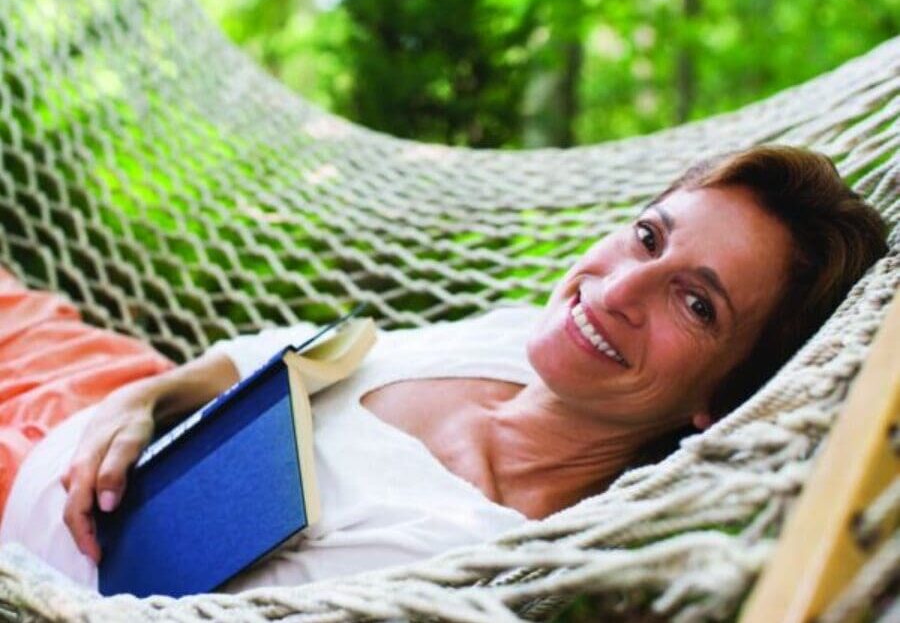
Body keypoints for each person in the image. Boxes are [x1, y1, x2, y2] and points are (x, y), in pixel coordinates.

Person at [0, 145, 888, 593]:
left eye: (698, 305)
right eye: (648, 237)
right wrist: (147, 398)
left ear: (722, 397)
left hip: (29, 530)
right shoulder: (519, 341)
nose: (621, 289)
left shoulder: (470, 556)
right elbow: (274, 353)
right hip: (97, 380)